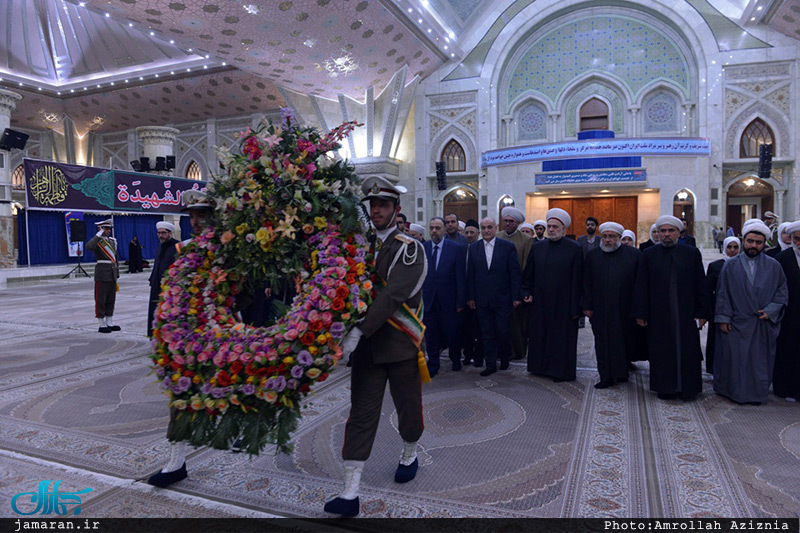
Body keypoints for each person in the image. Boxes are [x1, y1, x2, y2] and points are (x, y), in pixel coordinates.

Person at [324, 176, 427, 517]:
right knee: (361, 416)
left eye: (384, 205)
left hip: (398, 346)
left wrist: (356, 333)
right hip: (368, 352)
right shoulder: (356, 247)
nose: (378, 210)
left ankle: (409, 451)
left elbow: (393, 295)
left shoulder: (410, 248)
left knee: (408, 409)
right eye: (373, 206)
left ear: (397, 210)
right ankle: (350, 492)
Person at [633, 215, 708, 400]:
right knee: (662, 351)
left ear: (678, 233)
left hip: (685, 312)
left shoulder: (691, 253)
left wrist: (703, 312)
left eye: (670, 231)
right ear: (657, 233)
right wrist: (641, 312)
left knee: (687, 351)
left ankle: (688, 388)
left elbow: (701, 284)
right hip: (659, 313)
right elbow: (641, 285)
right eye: (662, 231)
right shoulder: (649, 254)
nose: (666, 235)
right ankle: (665, 388)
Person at [713, 221, 787, 405]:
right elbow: (723, 293)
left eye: (758, 242)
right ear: (743, 240)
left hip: (761, 323)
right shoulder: (730, 266)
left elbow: (782, 292)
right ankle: (732, 392)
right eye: (750, 241)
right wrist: (724, 317)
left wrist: (770, 311)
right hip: (737, 322)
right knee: (735, 359)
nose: (754, 246)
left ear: (764, 244)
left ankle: (756, 394)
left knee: (758, 362)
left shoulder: (774, 265)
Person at [523, 208, 583, 382]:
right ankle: (538, 368)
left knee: (560, 340)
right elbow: (529, 274)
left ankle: (559, 372)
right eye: (549, 226)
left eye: (555, 227)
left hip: (564, 305)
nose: (551, 229)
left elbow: (578, 280)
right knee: (539, 336)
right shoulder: (538, 247)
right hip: (540, 303)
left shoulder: (574, 248)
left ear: (563, 229)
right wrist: (526, 292)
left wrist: (575, 308)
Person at [582, 222, 640, 388]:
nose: (607, 240)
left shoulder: (633, 255)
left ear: (619, 238)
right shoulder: (593, 255)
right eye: (605, 236)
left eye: (612, 237)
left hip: (625, 309)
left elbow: (639, 284)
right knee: (602, 343)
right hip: (600, 309)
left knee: (623, 341)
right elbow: (586, 282)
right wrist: (587, 306)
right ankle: (606, 376)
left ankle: (621, 373)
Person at [466, 217, 522, 376]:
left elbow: (515, 274)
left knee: (503, 331)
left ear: (495, 228)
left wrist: (515, 296)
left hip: (503, 299)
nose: (486, 231)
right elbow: (470, 274)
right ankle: (490, 364)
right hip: (482, 300)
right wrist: (470, 297)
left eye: (489, 227)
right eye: (483, 228)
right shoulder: (474, 248)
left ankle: (505, 357)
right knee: (487, 333)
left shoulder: (508, 247)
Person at [422, 217, 466, 376]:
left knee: (452, 332)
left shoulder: (456, 248)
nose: (434, 231)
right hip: (429, 300)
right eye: (432, 228)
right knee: (431, 334)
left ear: (444, 230)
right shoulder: (423, 247)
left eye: (438, 228)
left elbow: (461, 276)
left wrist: (461, 300)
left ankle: (455, 359)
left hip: (449, 300)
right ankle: (433, 363)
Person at [498, 206, 533, 361]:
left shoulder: (526, 240)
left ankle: (518, 351)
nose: (508, 224)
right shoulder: (497, 236)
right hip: (498, 287)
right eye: (505, 221)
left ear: (517, 223)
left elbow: (526, 267)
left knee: (516, 323)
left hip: (516, 288)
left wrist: (521, 291)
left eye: (511, 221)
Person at [705, 236, 740, 374]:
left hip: (738, 310)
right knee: (716, 340)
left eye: (735, 247)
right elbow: (708, 290)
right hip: (717, 309)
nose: (732, 250)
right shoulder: (715, 266)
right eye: (729, 247)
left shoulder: (743, 265)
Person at [773, 220, 800, 402]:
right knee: (787, 350)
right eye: (797, 239)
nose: (799, 243)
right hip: (789, 314)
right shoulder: (782, 259)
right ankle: (785, 389)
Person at [86, 219, 120, 333]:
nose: (108, 230)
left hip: (112, 273)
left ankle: (109, 321)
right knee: (101, 299)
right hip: (102, 273)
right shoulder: (97, 242)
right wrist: (98, 235)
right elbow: (89, 246)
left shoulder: (113, 241)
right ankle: (101, 323)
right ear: (100, 229)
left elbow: (115, 258)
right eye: (105, 228)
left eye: (109, 228)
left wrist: (117, 273)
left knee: (111, 299)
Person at [147, 221, 179, 338]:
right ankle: (154, 334)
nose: (160, 236)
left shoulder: (177, 246)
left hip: (170, 286)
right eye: (159, 233)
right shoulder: (160, 246)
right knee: (155, 309)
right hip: (156, 284)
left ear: (170, 233)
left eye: (163, 233)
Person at [461, 218, 483, 366]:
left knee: (479, 329)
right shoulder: (460, 249)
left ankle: (479, 357)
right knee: (466, 329)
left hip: (480, 296)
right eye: (467, 232)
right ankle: (467, 354)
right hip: (464, 296)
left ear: (478, 233)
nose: (469, 235)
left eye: (472, 232)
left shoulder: (483, 249)